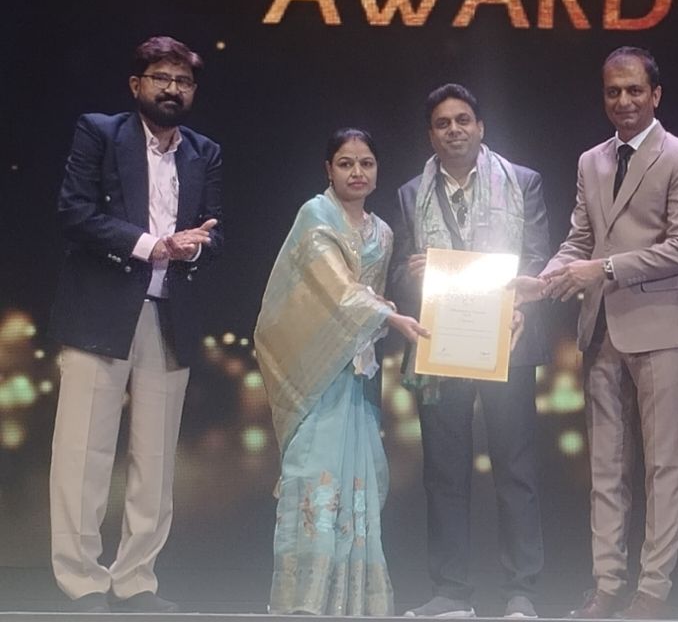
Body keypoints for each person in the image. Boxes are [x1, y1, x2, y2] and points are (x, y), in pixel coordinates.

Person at [514, 46, 678, 621]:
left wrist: (600, 269)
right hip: (600, 330)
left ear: (656, 94)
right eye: (613, 91)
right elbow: (580, 239)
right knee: (605, 469)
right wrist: (543, 281)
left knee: (662, 468)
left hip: (664, 329)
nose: (623, 101)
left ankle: (653, 593)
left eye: (634, 90)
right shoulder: (591, 161)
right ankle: (606, 585)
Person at [48, 35, 223, 613]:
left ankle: (135, 580)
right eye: (161, 78)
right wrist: (153, 245)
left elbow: (214, 231)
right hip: (100, 312)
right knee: (84, 453)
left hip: (168, 316)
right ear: (136, 85)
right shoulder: (100, 133)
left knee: (156, 462)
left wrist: (194, 247)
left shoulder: (205, 152)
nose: (172, 89)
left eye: (183, 81)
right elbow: (75, 212)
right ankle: (82, 581)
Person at [390, 83, 550, 620]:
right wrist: (413, 274)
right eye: (443, 123)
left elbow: (538, 258)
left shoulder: (522, 182)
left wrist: (523, 303)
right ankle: (452, 591)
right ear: (430, 134)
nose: (454, 130)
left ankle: (522, 591)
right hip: (441, 345)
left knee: (516, 469)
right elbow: (396, 272)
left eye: (463, 120)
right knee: (444, 471)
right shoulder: (411, 193)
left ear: (481, 127)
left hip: (508, 340)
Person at [255, 128, 428, 615]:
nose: (357, 172)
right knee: (314, 474)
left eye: (366, 163)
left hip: (359, 373)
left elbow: (372, 294)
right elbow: (334, 287)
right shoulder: (316, 214)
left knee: (360, 477)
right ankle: (304, 600)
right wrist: (389, 315)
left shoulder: (383, 233)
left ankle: (353, 601)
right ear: (328, 169)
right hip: (317, 370)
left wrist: (394, 308)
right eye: (346, 163)